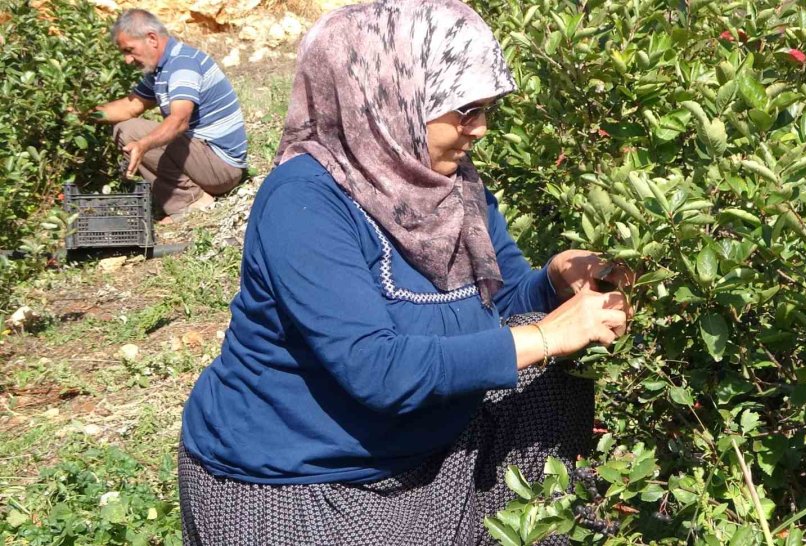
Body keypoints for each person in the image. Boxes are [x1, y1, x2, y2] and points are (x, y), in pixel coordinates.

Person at [177, 0, 632, 544]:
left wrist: (555, 280)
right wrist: (548, 334)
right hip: (308, 481)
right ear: (388, 97)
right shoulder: (305, 202)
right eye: (465, 110)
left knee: (547, 367)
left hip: (418, 445)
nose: (481, 129)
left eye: (487, 109)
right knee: (542, 345)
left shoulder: (453, 186)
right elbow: (375, 369)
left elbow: (499, 302)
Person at [92, 9, 248, 223]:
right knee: (129, 127)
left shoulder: (182, 64)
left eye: (130, 50)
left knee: (129, 131)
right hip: (209, 160)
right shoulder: (161, 69)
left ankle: (192, 202)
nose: (127, 60)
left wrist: (143, 144)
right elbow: (130, 107)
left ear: (152, 39)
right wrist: (80, 115)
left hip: (222, 167)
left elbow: (179, 121)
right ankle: (188, 195)